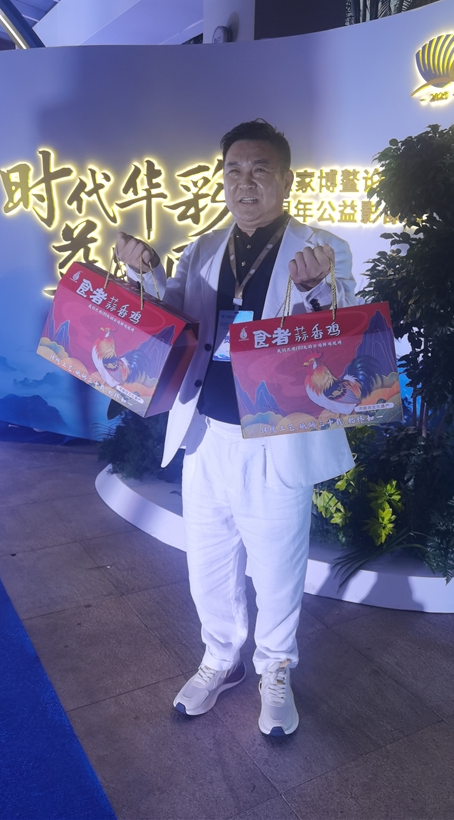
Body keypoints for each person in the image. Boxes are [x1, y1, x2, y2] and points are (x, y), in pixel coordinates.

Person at [116, 119, 356, 736]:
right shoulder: (201, 250)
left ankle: (276, 669)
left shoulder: (322, 251)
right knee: (210, 563)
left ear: (287, 179)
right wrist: (144, 274)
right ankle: (221, 659)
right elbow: (173, 319)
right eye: (234, 170)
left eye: (260, 169)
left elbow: (342, 335)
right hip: (205, 434)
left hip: (276, 440)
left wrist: (314, 292)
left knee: (277, 569)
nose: (245, 182)